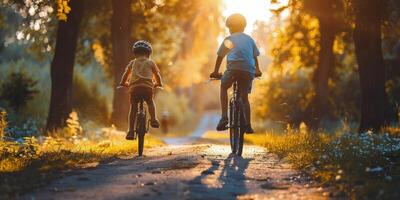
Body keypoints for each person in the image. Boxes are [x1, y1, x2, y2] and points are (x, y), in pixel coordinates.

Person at [210, 13, 262, 134]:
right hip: (248, 70)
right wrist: (257, 70)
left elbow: (220, 56)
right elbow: (255, 57)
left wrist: (216, 71)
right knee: (244, 97)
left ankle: (224, 117)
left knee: (223, 87)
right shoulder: (249, 39)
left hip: (233, 68)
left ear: (230, 28)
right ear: (244, 27)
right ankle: (248, 125)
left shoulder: (229, 39)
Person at [119, 40, 163, 140]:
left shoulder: (132, 63)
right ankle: (153, 120)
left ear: (135, 53)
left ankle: (130, 131)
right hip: (147, 88)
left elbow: (126, 74)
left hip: (134, 89)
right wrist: (159, 84)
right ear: (148, 53)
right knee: (150, 102)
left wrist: (123, 83)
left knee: (133, 107)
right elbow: (157, 75)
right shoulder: (151, 62)